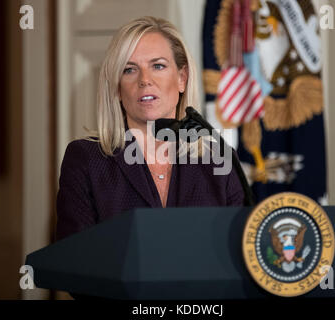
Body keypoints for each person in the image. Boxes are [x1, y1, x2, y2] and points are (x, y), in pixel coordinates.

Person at [56, 16, 244, 242]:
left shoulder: (219, 161)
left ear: (182, 78)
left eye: (158, 66)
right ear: (116, 87)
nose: (145, 80)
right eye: (129, 69)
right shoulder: (87, 160)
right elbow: (73, 263)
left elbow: (239, 257)